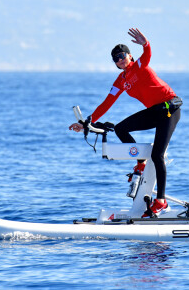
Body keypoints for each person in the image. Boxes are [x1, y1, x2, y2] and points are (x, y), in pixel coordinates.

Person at [69, 28, 182, 218]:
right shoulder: (121, 81)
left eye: (122, 55)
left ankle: (161, 201)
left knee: (158, 154)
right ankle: (140, 162)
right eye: (116, 58)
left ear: (129, 56)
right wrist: (86, 122)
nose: (120, 59)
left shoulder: (139, 65)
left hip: (169, 109)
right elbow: (107, 103)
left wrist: (145, 44)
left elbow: (147, 54)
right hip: (154, 112)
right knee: (121, 128)